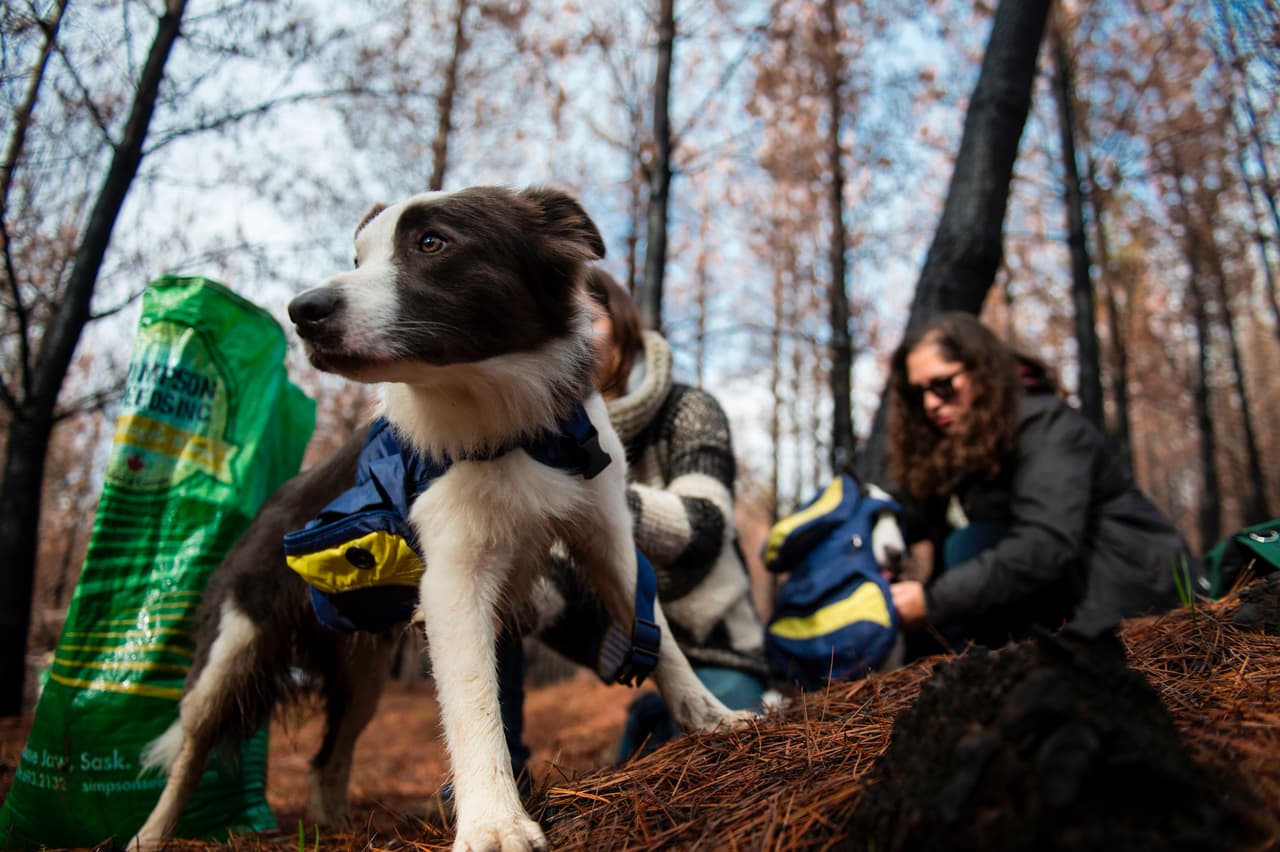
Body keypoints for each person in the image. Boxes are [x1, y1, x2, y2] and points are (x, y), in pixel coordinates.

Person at [499, 266, 767, 770]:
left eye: (585, 317)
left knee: (720, 771)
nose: (567, 329)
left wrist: (595, 500)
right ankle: (495, 776)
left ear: (622, 324)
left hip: (716, 647)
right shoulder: (532, 436)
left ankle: (669, 713)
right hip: (629, 651)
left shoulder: (688, 407)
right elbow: (553, 586)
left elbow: (704, 524)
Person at [884, 311, 1198, 654]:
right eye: (919, 394)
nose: (931, 403)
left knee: (972, 544)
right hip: (1063, 605)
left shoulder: (1047, 428)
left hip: (1137, 595)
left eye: (943, 385)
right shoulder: (965, 447)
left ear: (981, 371)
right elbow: (918, 513)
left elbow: (1044, 544)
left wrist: (933, 601)